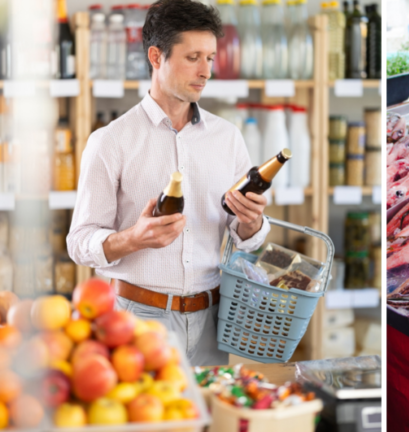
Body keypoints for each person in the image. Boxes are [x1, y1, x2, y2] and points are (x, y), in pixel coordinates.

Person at [67, 0, 270, 366]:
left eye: (209, 57)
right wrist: (132, 238)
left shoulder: (227, 137)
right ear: (156, 56)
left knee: (210, 420)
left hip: (212, 318)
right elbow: (79, 243)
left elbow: (245, 237)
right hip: (137, 320)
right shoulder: (111, 141)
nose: (205, 71)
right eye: (193, 57)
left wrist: (251, 221)